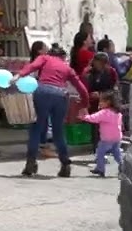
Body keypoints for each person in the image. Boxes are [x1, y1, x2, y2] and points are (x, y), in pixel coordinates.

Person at [16, 43, 90, 178]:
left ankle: (30, 163)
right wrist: (84, 105)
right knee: (58, 132)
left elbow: (32, 66)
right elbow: (82, 89)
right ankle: (65, 164)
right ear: (63, 57)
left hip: (42, 92)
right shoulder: (67, 68)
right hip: (61, 95)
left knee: (36, 128)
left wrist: (19, 75)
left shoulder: (45, 58)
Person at [81, 89, 124, 177]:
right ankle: (124, 167)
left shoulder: (104, 113)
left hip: (106, 139)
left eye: (101, 101)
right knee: (117, 154)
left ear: (108, 102)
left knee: (100, 153)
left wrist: (84, 116)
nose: (100, 103)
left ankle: (100, 169)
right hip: (117, 137)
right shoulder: (118, 113)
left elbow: (93, 118)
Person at [84, 51, 120, 147]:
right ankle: (96, 147)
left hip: (108, 102)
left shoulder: (111, 72)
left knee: (108, 126)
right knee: (95, 126)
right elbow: (84, 88)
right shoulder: (89, 72)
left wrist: (101, 95)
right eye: (96, 62)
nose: (97, 65)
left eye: (100, 63)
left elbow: (115, 88)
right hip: (94, 103)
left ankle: (111, 146)